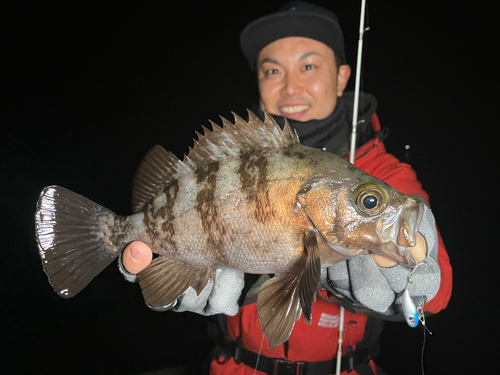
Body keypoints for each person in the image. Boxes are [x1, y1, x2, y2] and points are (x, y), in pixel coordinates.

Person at [120, 2, 452, 374]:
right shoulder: (242, 154)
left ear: (343, 77)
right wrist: (175, 271)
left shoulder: (381, 169)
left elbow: (437, 293)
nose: (290, 86)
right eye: (273, 70)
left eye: (308, 66)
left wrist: (419, 270)